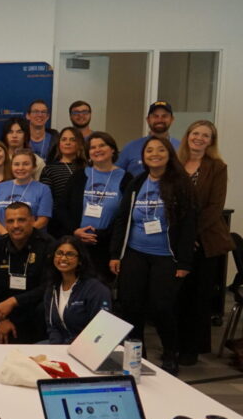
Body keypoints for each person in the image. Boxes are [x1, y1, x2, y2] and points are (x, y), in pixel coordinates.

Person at [109, 136, 196, 375]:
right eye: (149, 150)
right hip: (135, 253)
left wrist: (185, 261)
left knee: (162, 307)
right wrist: (116, 254)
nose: (154, 154)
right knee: (130, 306)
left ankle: (170, 352)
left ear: (169, 154)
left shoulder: (181, 184)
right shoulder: (137, 183)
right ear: (143, 156)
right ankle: (137, 355)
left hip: (167, 256)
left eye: (160, 150)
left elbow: (189, 225)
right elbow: (122, 219)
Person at [177, 120, 234, 366]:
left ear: (211, 141)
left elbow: (215, 207)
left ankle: (193, 349)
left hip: (206, 240)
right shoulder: (175, 165)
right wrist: (180, 237)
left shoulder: (217, 167)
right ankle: (175, 344)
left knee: (199, 297)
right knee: (178, 295)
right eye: (195, 133)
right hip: (177, 240)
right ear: (188, 136)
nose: (199, 138)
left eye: (205, 135)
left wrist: (191, 236)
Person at [59, 132, 130, 286]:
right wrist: (75, 231)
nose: (97, 150)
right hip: (78, 244)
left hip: (107, 246)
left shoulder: (126, 178)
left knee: (100, 290)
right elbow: (62, 208)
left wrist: (101, 235)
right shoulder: (79, 176)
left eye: (102, 145)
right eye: (93, 147)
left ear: (112, 150)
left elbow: (126, 217)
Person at [0, 202, 52, 344]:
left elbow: (49, 286)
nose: (16, 225)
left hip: (38, 315)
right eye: (10, 221)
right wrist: (2, 319)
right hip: (6, 317)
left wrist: (15, 301)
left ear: (32, 220)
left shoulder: (48, 246)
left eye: (21, 220)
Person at [43, 236, 112, 344]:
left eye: (70, 254)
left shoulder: (95, 289)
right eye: (59, 253)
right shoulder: (52, 287)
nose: (63, 258)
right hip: (61, 346)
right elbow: (52, 326)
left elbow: (101, 329)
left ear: (80, 260)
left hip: (88, 348)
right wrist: (55, 349)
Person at [0, 148, 52, 239]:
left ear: (34, 167)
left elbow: (43, 220)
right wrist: (7, 235)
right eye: (16, 164)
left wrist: (20, 236)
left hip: (30, 240)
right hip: (2, 240)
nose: (20, 168)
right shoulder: (0, 187)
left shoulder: (43, 189)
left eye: (26, 164)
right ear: (11, 166)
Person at [40, 127, 86, 237]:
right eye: (64, 139)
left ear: (79, 143)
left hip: (86, 222)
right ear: (59, 144)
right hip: (59, 226)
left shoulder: (89, 168)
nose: (68, 143)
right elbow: (47, 202)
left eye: (72, 139)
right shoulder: (49, 169)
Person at [116, 101, 181, 178]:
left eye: (164, 116)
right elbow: (115, 175)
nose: (160, 120)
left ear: (172, 119)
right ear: (148, 120)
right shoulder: (131, 147)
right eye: (155, 116)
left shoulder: (181, 147)